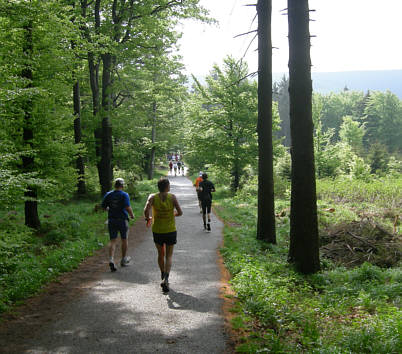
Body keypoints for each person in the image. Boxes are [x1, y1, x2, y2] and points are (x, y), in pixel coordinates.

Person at [143, 178, 183, 292]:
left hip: (157, 231)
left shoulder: (152, 197)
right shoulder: (172, 197)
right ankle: (166, 277)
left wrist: (148, 218)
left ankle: (162, 275)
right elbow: (180, 212)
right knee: (169, 256)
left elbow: (146, 209)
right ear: (167, 186)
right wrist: (172, 214)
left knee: (160, 254)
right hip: (170, 230)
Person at [102, 178, 135, 272]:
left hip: (112, 220)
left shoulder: (108, 194)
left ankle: (111, 259)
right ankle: (123, 259)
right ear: (122, 186)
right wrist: (132, 215)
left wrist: (110, 209)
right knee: (124, 239)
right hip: (122, 220)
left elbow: (104, 207)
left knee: (112, 240)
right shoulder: (124, 195)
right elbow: (127, 207)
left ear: (115, 185)